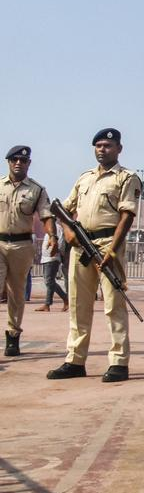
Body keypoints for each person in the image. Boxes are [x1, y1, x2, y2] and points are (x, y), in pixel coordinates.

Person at [46, 130, 140, 381]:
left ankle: (119, 362)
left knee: (113, 305)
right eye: (98, 145)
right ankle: (75, 360)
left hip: (109, 242)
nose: (102, 149)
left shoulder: (126, 178)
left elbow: (127, 217)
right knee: (78, 305)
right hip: (81, 244)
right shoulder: (85, 178)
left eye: (107, 145)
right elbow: (64, 208)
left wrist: (112, 250)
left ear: (119, 149)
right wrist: (68, 231)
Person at [2, 146, 55, 357]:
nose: (18, 163)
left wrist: (53, 236)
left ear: (29, 163)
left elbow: (46, 215)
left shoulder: (37, 190)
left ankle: (13, 336)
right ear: (8, 162)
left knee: (16, 293)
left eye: (23, 160)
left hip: (22, 246)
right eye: (14, 159)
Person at [36, 227, 69, 312]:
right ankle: (47, 304)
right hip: (46, 258)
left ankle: (65, 298)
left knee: (49, 281)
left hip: (52, 258)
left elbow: (61, 243)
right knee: (49, 282)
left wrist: (56, 252)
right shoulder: (49, 228)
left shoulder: (57, 228)